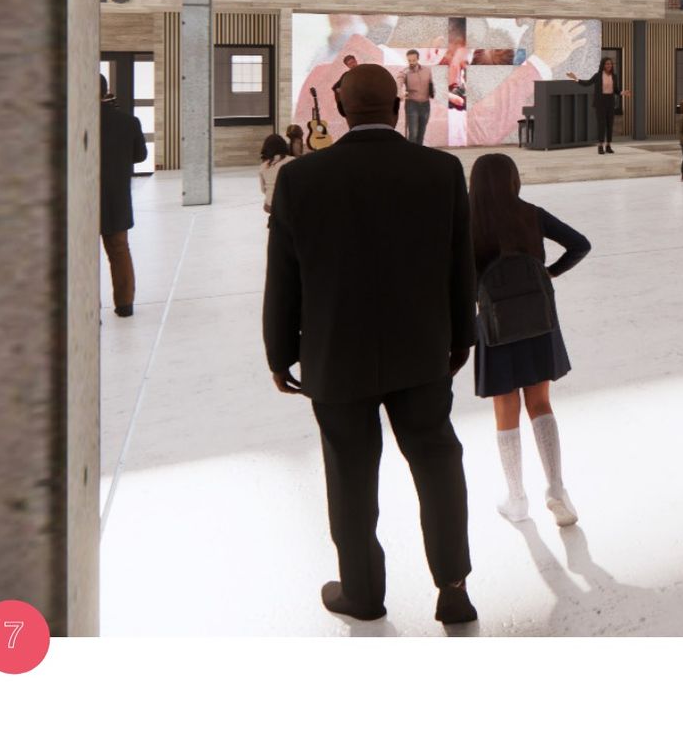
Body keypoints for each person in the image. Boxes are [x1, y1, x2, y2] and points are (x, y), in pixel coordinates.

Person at [261, 64, 478, 625]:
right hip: (422, 349)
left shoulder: (300, 179)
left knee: (350, 475)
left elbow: (284, 277)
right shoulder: (441, 171)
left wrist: (279, 352)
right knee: (437, 463)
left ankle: (362, 592)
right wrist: (462, 337)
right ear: (399, 108)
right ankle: (453, 588)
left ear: (341, 108)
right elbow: (461, 264)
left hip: (335, 355)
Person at [469, 153, 588, 527]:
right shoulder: (531, 214)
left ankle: (517, 497)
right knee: (540, 402)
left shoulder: (468, 221)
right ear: (513, 179)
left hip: (495, 324)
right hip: (538, 318)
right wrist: (549, 273)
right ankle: (556, 489)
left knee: (506, 406)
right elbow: (580, 244)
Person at [99, 75, 148, 317]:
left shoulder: (73, 120)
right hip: (117, 196)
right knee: (119, 250)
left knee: (82, 256)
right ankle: (124, 304)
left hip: (83, 199)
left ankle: (87, 310)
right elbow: (140, 156)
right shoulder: (129, 121)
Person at [566, 52, 625, 155]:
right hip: (600, 102)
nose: (609, 65)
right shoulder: (598, 76)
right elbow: (587, 83)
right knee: (601, 124)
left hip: (610, 102)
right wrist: (576, 79)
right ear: (603, 65)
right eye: (607, 64)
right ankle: (600, 146)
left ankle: (608, 146)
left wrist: (622, 93)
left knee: (610, 124)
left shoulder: (614, 76)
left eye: (610, 64)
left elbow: (616, 90)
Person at [399, 49, 434, 145]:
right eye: (409, 60)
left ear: (418, 59)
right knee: (413, 133)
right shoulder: (405, 72)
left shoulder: (427, 71)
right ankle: (412, 153)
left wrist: (433, 91)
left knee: (421, 133)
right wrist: (400, 92)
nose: (411, 62)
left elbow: (431, 84)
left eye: (413, 60)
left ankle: (419, 152)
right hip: (412, 104)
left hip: (426, 105)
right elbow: (399, 82)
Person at [258, 133, 292, 215]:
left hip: (270, 205)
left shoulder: (263, 166)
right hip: (289, 204)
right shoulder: (292, 161)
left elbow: (263, 190)